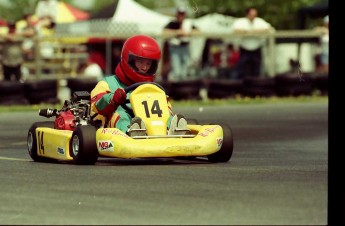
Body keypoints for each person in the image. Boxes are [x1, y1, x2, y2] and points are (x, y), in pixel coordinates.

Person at [90, 34, 188, 137]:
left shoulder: (151, 87)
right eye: (140, 62)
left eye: (148, 63)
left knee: (166, 113)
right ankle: (130, 131)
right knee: (119, 113)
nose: (144, 68)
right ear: (129, 60)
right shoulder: (108, 83)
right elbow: (95, 106)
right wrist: (113, 99)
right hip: (116, 129)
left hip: (147, 124)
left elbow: (166, 108)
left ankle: (174, 130)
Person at [232, 7, 273, 79]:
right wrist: (250, 32)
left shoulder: (259, 21)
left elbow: (269, 29)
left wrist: (252, 32)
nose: (253, 16)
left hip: (256, 49)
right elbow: (236, 30)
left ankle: (255, 86)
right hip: (244, 49)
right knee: (241, 68)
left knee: (256, 69)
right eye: (251, 14)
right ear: (247, 14)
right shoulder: (241, 21)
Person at [163, 7, 199, 81]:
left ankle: (183, 85)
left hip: (185, 47)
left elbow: (198, 31)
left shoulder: (188, 23)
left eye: (182, 14)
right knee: (176, 69)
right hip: (175, 47)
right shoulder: (173, 23)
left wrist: (187, 33)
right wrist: (177, 32)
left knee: (186, 67)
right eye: (179, 14)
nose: (181, 16)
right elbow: (164, 31)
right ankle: (177, 85)